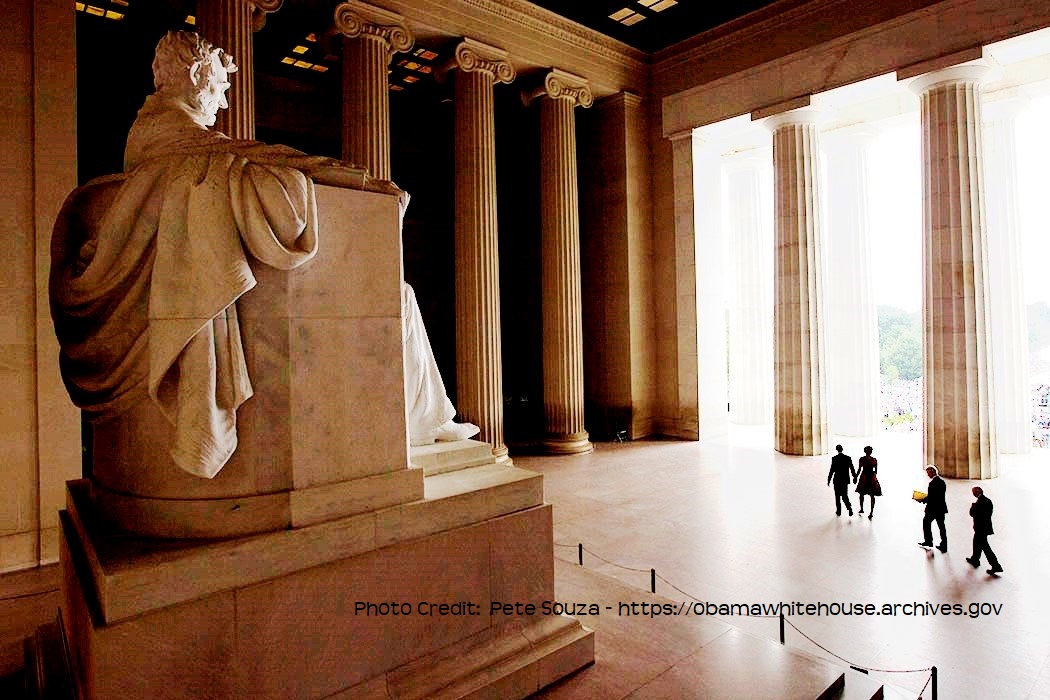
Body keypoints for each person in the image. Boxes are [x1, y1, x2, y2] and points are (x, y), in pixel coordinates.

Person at [51, 31, 475, 479]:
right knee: (399, 297)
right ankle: (421, 422)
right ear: (196, 75)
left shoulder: (166, 133)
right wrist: (345, 178)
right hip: (275, 288)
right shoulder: (167, 132)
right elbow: (241, 156)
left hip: (277, 289)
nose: (223, 101)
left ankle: (427, 420)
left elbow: (237, 151)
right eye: (218, 86)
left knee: (400, 297)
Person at [966, 486, 1003, 575]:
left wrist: (973, 506)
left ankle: (996, 566)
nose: (973, 493)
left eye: (974, 492)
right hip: (984, 528)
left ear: (979, 492)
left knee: (985, 547)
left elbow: (973, 514)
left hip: (981, 529)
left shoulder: (980, 502)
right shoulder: (987, 500)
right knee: (976, 543)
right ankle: (975, 559)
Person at [917, 464, 948, 552]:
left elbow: (932, 497)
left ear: (932, 472)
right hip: (941, 508)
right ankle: (944, 545)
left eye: (928, 472)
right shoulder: (942, 482)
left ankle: (928, 541)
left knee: (926, 522)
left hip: (933, 509)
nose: (927, 475)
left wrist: (922, 499)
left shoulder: (933, 483)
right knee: (942, 527)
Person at [827, 444, 858, 517]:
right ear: (842, 449)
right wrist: (855, 477)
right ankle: (849, 508)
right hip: (845, 480)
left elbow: (832, 470)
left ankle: (839, 511)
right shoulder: (848, 458)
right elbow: (852, 469)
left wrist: (829, 479)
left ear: (837, 450)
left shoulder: (834, 458)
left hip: (837, 479)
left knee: (837, 496)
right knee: (845, 495)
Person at [855, 445, 882, 519]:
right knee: (872, 495)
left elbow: (859, 469)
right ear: (871, 452)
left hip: (864, 477)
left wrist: (855, 477)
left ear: (865, 451)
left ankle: (862, 509)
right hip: (872, 478)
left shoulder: (862, 459)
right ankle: (871, 512)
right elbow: (876, 471)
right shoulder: (874, 460)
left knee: (861, 494)